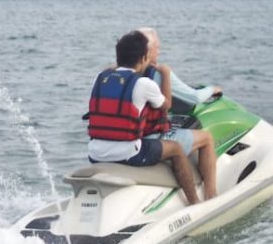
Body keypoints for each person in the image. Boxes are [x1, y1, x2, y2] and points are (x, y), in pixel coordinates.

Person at [86, 31, 201, 205]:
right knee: (176, 149)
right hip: (128, 153)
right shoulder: (143, 84)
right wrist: (166, 73)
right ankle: (194, 203)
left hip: (95, 153)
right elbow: (166, 105)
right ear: (143, 59)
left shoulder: (99, 78)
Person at [137, 27, 218, 200]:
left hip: (128, 137)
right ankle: (211, 195)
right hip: (149, 139)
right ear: (148, 51)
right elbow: (193, 97)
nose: (159, 51)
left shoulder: (126, 72)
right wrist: (212, 89)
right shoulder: (158, 73)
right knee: (207, 138)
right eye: (157, 48)